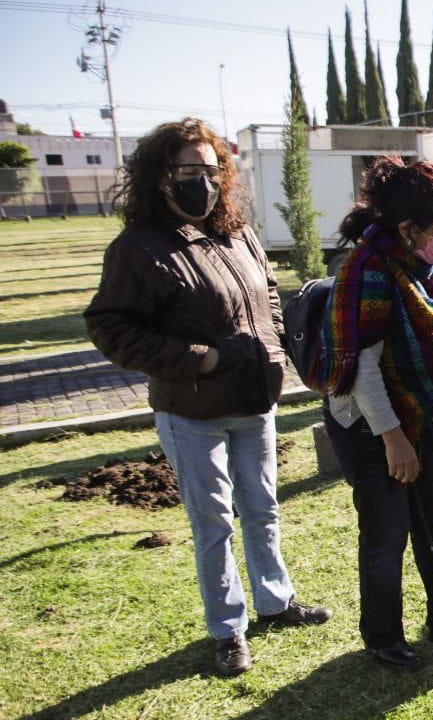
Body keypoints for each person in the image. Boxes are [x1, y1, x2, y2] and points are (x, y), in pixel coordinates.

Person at [83, 118, 331, 677]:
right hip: (192, 409)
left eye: (213, 170)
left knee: (263, 509)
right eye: (190, 171)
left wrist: (277, 345)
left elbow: (266, 290)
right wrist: (200, 359)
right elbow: (110, 326)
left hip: (254, 402)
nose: (205, 182)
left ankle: (275, 600)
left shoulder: (236, 234)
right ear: (160, 177)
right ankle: (228, 628)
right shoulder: (138, 248)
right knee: (214, 520)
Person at [317, 157, 433, 672]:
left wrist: (418, 426)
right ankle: (382, 636)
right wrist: (394, 439)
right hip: (368, 422)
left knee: (432, 518)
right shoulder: (365, 272)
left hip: (416, 418)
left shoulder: (432, 265)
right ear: (407, 228)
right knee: (387, 529)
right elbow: (360, 372)